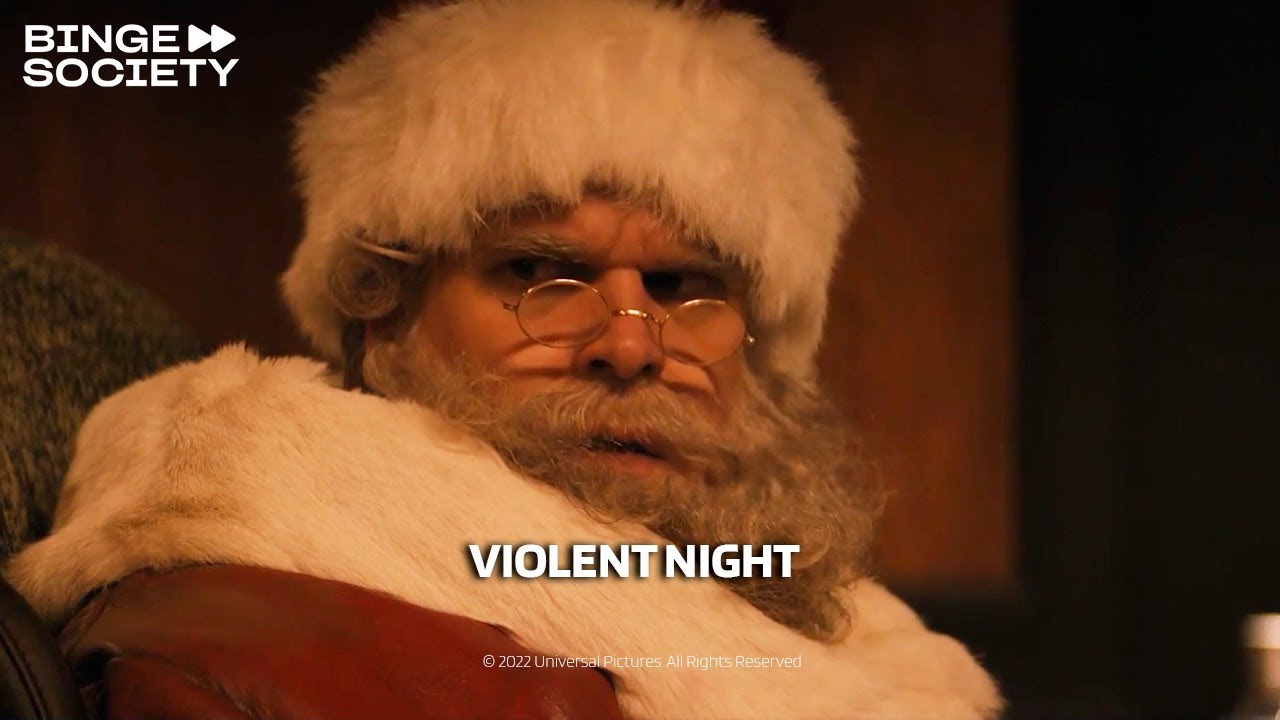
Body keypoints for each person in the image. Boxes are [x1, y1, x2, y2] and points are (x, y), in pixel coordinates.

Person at [6, 1, 1002, 717]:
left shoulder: (832, 620)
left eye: (681, 285)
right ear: (383, 316)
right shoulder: (271, 640)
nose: (628, 345)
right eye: (538, 270)